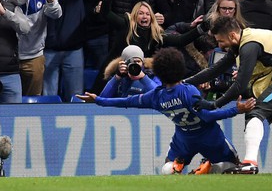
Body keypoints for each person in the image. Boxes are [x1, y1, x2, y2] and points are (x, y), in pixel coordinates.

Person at [77, 47, 256, 174]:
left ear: (159, 72)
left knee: (167, 169)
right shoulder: (188, 91)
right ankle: (207, 166)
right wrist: (236, 110)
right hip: (209, 137)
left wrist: (98, 100)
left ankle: (189, 166)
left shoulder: (156, 96)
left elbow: (126, 101)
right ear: (180, 68)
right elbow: (207, 116)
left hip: (183, 140)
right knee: (234, 168)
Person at [190, 16, 272, 174]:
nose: (220, 46)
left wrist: (214, 104)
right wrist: (186, 82)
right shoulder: (245, 41)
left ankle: (250, 163)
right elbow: (215, 69)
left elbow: (240, 85)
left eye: (220, 41)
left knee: (256, 110)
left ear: (232, 35)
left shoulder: (249, 46)